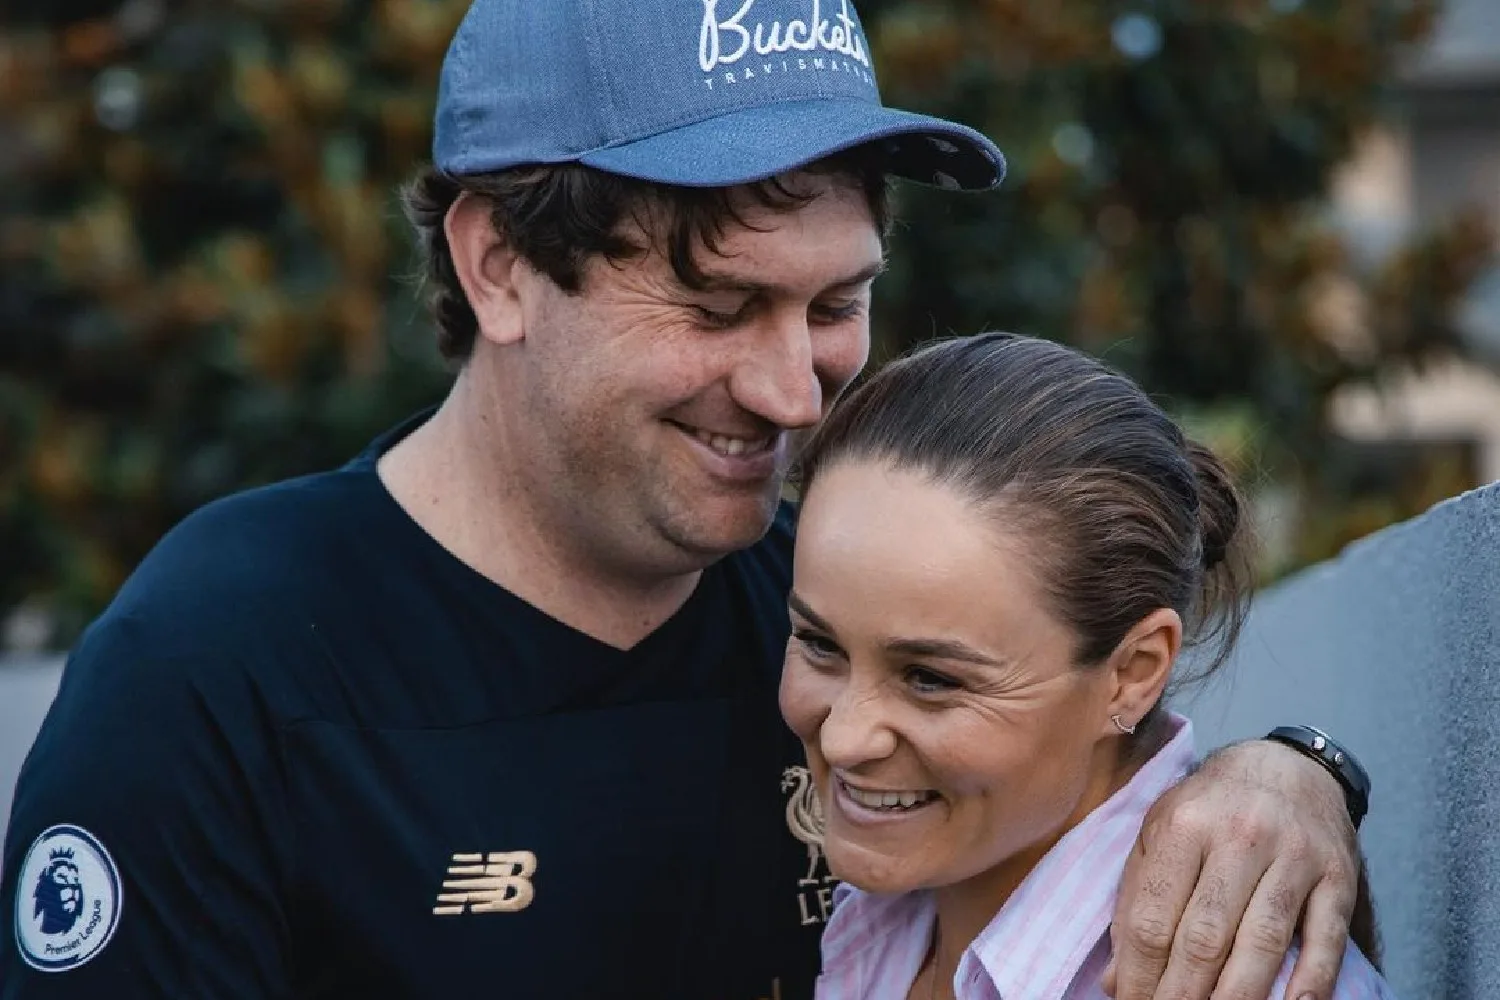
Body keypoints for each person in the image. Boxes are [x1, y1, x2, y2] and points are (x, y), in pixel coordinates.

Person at [1, 0, 1367, 997]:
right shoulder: (221, 665)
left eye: (839, 303)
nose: (792, 390)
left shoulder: (836, 627)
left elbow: (1084, 764)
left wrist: (1293, 775)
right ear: (498, 267)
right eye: (717, 305)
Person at [780, 333, 1391, 1000]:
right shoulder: (884, 920)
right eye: (819, 644)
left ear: (1133, 671)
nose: (843, 737)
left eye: (931, 679)